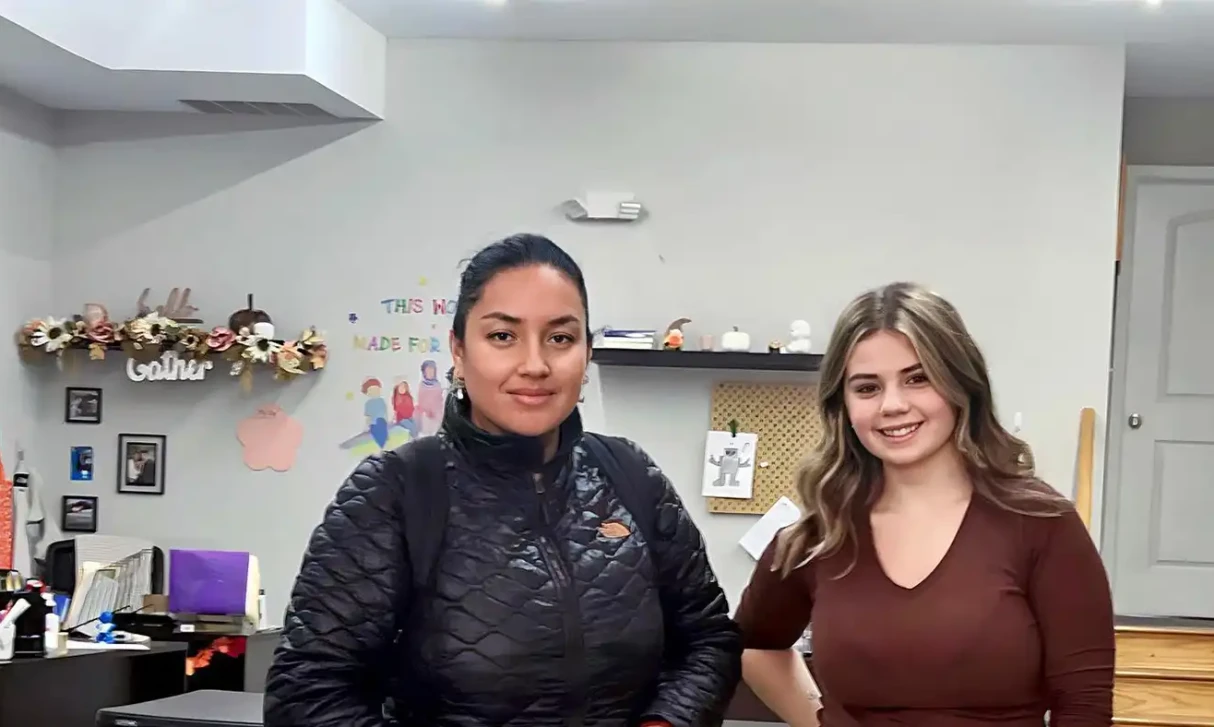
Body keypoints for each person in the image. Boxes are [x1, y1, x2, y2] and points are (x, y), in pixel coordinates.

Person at [264, 233, 741, 727]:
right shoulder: (395, 492)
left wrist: (665, 723)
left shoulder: (629, 474)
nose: (535, 365)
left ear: (586, 352)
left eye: (560, 338)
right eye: (502, 336)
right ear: (458, 350)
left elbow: (708, 639)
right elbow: (307, 694)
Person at [734, 282, 1114, 727]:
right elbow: (753, 645)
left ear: (960, 385)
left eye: (918, 378)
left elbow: (1084, 704)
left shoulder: (1040, 522)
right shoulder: (819, 536)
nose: (892, 405)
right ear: (843, 406)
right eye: (867, 388)